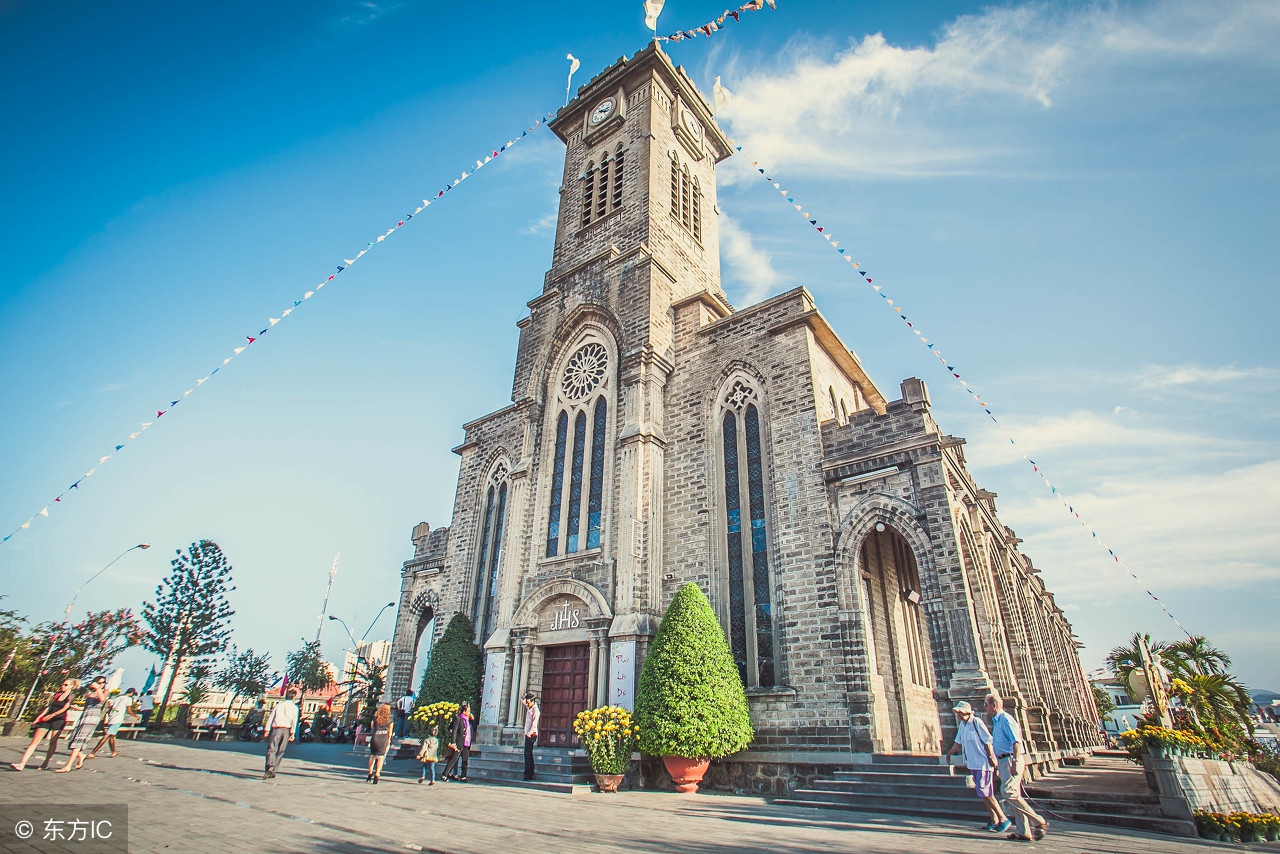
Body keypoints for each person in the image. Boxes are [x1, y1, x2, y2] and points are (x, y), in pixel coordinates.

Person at [986, 693, 1048, 842]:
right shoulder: (997, 721)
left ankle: (1038, 820)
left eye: (986, 704)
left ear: (994, 705)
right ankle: (1023, 831)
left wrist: (1015, 761)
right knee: (1013, 794)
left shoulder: (1006, 719)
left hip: (1011, 759)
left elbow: (1017, 742)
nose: (984, 707)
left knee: (1008, 792)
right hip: (1003, 761)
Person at [947, 700, 1009, 833]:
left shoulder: (976, 722)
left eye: (960, 712)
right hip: (973, 764)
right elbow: (958, 741)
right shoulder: (963, 725)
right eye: (957, 713)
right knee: (982, 793)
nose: (958, 715)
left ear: (966, 712)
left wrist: (992, 758)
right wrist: (949, 753)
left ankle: (1003, 818)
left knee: (986, 792)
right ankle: (994, 820)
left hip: (983, 764)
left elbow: (987, 741)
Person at [9, 678, 78, 771]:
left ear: (71, 686)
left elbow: (65, 708)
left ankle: (45, 763)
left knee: (53, 741)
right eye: (62, 684)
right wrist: (39, 718)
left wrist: (52, 715)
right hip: (47, 719)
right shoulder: (58, 694)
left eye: (66, 685)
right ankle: (22, 763)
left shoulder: (71, 695)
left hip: (59, 720)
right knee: (35, 741)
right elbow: (49, 707)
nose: (63, 686)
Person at [56, 676, 109, 773]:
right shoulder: (89, 693)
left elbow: (102, 699)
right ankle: (81, 756)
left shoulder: (104, 691)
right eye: (99, 682)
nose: (101, 684)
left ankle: (68, 765)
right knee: (74, 739)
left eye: (103, 683)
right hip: (85, 715)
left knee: (78, 741)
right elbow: (86, 706)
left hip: (92, 718)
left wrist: (98, 688)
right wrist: (77, 707)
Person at [263, 688, 300, 780]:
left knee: (272, 749)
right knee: (281, 751)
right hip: (286, 730)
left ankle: (270, 765)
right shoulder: (295, 708)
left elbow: (271, 717)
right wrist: (292, 733)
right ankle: (273, 771)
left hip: (276, 729)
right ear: (294, 697)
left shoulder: (278, 705)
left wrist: (267, 729)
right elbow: (294, 721)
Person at [89, 688, 136, 759]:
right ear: (131, 693)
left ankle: (113, 751)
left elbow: (110, 709)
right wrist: (135, 716)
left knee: (112, 736)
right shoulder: (128, 699)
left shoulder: (117, 698)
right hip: (118, 718)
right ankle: (93, 752)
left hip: (112, 717)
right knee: (107, 736)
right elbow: (129, 711)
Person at [441, 701, 475, 782]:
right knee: (454, 758)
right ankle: (444, 774)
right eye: (468, 711)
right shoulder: (458, 718)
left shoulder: (468, 720)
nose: (469, 713)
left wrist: (473, 719)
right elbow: (454, 731)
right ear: (464, 711)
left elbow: (472, 728)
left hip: (466, 742)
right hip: (459, 741)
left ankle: (463, 776)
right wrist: (453, 742)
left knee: (465, 760)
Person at [367, 703, 393, 784]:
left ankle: (370, 774)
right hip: (384, 738)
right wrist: (389, 740)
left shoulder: (375, 717)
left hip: (375, 737)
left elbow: (371, 726)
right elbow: (390, 732)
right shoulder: (389, 719)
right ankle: (377, 775)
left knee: (372, 756)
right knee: (381, 757)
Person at [522, 693, 540, 781]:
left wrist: (529, 734)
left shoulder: (536, 711)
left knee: (527, 754)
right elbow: (522, 701)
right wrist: (524, 696)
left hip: (532, 734)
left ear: (533, 702)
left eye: (528, 703)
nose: (527, 704)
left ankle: (527, 774)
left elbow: (534, 724)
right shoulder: (529, 707)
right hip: (528, 734)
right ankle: (530, 773)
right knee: (528, 754)